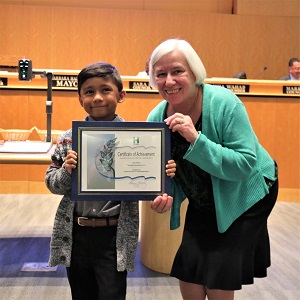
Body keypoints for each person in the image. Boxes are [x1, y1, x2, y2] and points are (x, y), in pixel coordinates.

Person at [147, 39, 278, 300]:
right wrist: (162, 194)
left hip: (246, 191)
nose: (169, 81)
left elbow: (244, 165)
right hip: (203, 194)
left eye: (177, 71)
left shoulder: (225, 103)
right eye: (160, 74)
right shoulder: (156, 118)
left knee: (218, 270)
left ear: (195, 73)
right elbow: (163, 173)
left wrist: (196, 139)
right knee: (190, 267)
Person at [45, 62, 176, 300]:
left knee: (112, 294)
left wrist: (163, 172)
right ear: (79, 98)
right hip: (75, 233)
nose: (97, 98)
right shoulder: (67, 139)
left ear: (121, 95)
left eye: (105, 90)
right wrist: (67, 171)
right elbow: (52, 183)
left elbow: (150, 183)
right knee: (81, 294)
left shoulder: (139, 139)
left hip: (115, 236)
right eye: (88, 91)